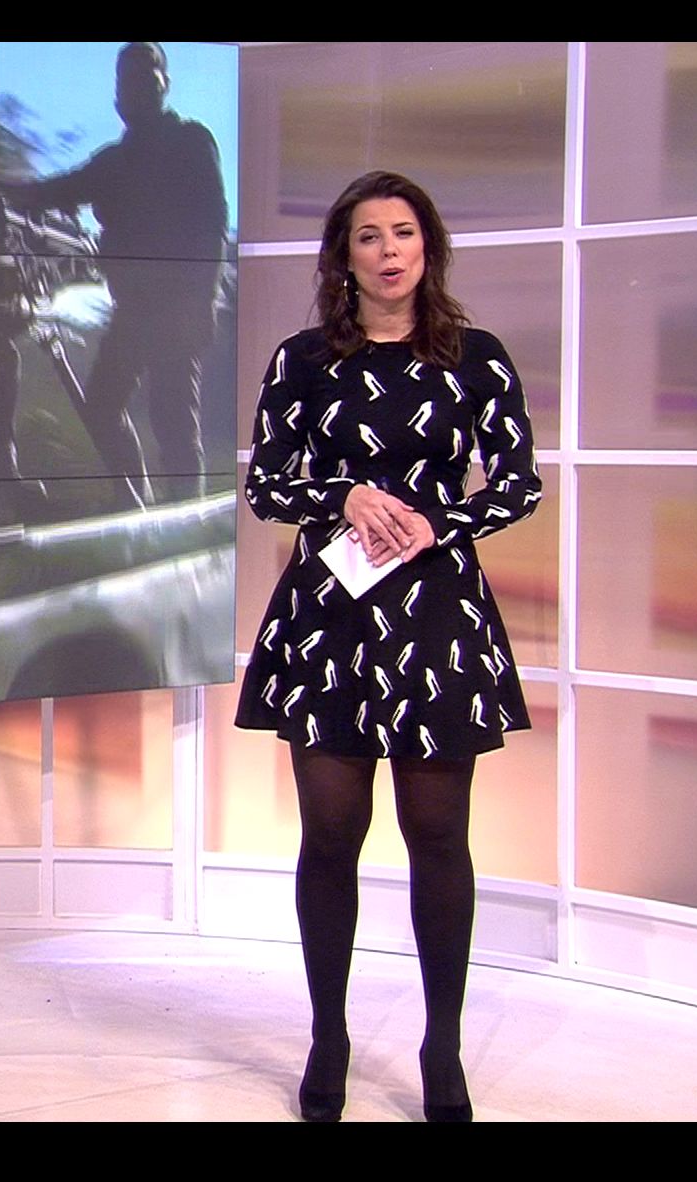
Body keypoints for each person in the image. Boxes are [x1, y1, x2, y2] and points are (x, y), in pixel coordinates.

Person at [233, 171, 541, 1123]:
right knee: (330, 837)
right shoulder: (302, 361)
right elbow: (266, 486)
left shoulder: (477, 358)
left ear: (428, 247)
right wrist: (343, 496)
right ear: (344, 256)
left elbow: (519, 484)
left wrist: (437, 520)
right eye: (368, 236)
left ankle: (441, 1049)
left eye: (403, 232)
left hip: (437, 615)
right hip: (330, 615)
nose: (388, 250)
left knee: (438, 836)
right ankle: (328, 1037)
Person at [0, 41, 226, 504]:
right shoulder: (113, 162)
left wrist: (202, 301)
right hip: (133, 311)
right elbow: (58, 190)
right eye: (126, 80)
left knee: (173, 420)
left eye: (144, 76)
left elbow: (213, 224)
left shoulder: (190, 141)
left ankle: (191, 523)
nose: (133, 88)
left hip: (178, 309)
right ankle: (138, 505)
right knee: (102, 406)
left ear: (164, 83)